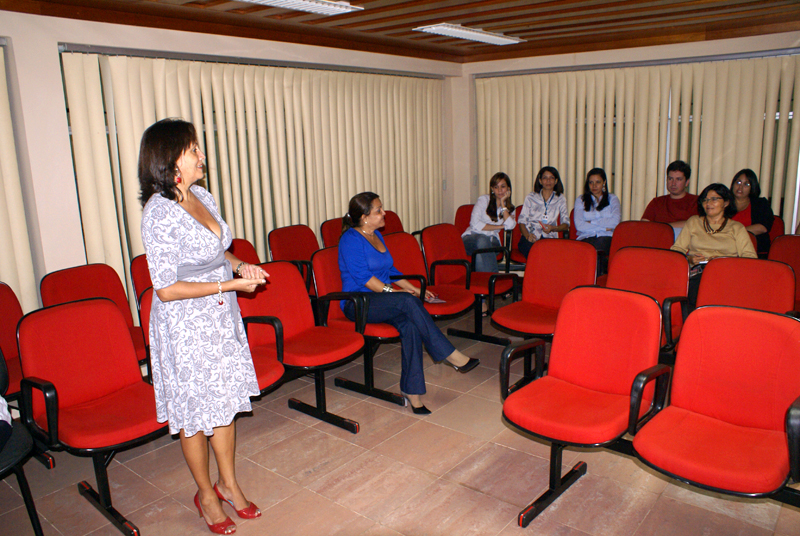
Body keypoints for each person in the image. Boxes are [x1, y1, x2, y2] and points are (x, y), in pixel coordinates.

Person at [139, 119, 267, 535]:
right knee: (194, 414)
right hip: (185, 326)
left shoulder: (202, 196)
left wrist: (240, 265)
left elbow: (218, 251)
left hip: (219, 317)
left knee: (225, 403)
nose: (202, 155)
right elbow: (165, 289)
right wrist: (229, 284)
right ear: (170, 159)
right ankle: (206, 494)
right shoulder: (158, 214)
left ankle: (228, 484)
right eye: (193, 149)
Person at [339, 192, 480, 414]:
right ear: (364, 217)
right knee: (405, 301)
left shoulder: (377, 235)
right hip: (358, 302)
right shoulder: (350, 240)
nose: (384, 213)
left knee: (410, 323)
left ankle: (412, 391)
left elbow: (390, 271)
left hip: (383, 299)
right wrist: (394, 292)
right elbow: (365, 279)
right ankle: (448, 354)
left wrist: (416, 289)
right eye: (378, 210)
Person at [671, 183, 757, 309]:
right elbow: (676, 250)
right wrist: (689, 259)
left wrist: (723, 262)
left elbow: (750, 257)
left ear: (726, 203)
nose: (708, 203)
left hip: (726, 273)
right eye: (705, 200)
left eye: (714, 199)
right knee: (696, 286)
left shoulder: (736, 227)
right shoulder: (694, 222)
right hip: (698, 271)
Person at [461, 172, 516, 273]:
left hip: (493, 241)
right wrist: (500, 226)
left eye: (503, 186)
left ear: (508, 188)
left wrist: (503, 204)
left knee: (480, 253)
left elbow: (510, 226)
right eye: (496, 187)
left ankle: (484, 280)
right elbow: (474, 224)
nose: (499, 190)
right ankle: (493, 278)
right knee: (482, 241)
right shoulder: (483, 200)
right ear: (492, 189)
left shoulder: (510, 208)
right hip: (471, 238)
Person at [573, 168, 620, 275]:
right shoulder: (581, 200)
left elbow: (615, 222)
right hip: (586, 237)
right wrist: (605, 227)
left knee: (597, 250)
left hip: (606, 238)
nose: (594, 186)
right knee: (590, 250)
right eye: (591, 182)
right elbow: (579, 225)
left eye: (598, 182)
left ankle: (595, 281)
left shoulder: (612, 199)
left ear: (604, 182)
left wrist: (591, 222)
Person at [517, 166, 570, 258]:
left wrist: (553, 228)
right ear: (540, 181)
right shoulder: (531, 197)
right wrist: (527, 236)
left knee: (547, 254)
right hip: (531, 236)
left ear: (556, 181)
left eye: (551, 178)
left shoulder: (560, 198)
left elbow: (566, 224)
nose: (548, 181)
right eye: (545, 178)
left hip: (549, 238)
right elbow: (522, 221)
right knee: (535, 252)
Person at [641, 160, 698, 239]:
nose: (673, 183)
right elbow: (644, 226)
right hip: (658, 240)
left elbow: (698, 224)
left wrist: (665, 227)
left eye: (678, 179)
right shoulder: (657, 202)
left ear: (687, 182)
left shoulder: (696, 201)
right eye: (670, 179)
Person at [730, 169, 774, 255]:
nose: (740, 187)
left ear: (752, 188)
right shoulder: (724, 203)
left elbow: (763, 227)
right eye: (738, 182)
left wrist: (736, 232)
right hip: (728, 249)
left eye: (746, 184)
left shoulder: (760, 204)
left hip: (754, 250)